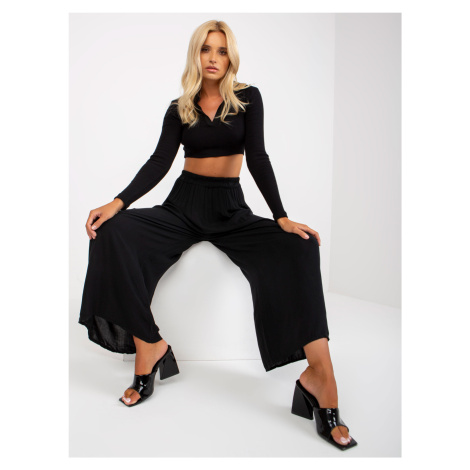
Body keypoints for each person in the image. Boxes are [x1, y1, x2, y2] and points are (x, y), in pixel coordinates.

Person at [79, 20, 357, 450]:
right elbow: (159, 161)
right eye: (206, 49)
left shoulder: (248, 98)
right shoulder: (180, 107)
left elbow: (258, 157)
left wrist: (281, 216)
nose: (213, 57)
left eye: (222, 50)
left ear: (231, 57)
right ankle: (148, 345)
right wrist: (118, 202)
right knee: (111, 232)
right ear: (196, 54)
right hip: (182, 205)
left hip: (229, 208)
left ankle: (320, 375)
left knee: (300, 248)